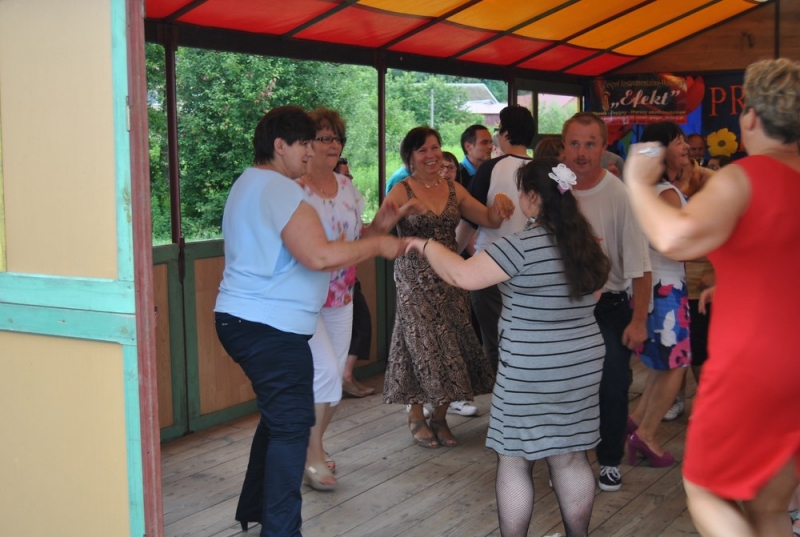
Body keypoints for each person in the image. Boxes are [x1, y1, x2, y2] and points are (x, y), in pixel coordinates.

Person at [625, 58, 800, 537]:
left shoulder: (745, 176)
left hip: (756, 361)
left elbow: (675, 238)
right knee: (769, 508)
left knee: (705, 489)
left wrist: (637, 184)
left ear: (751, 117)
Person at [214, 105, 407, 536]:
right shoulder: (280, 189)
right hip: (267, 326)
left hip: (252, 321)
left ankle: (256, 508)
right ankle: (282, 530)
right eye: (303, 143)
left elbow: (320, 249)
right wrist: (380, 246)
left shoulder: (250, 182)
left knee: (279, 420)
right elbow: (319, 255)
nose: (310, 151)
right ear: (279, 146)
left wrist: (375, 232)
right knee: (291, 428)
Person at [406, 158, 610, 537]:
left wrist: (424, 244)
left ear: (532, 198)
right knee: (570, 455)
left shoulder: (521, 247)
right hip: (582, 364)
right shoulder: (585, 245)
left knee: (515, 458)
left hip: (531, 368)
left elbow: (461, 274)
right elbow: (595, 293)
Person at [296, 108, 419, 490]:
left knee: (335, 379)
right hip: (303, 295)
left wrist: (383, 222)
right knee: (325, 373)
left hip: (342, 293)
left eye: (337, 138)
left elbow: (361, 237)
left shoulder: (346, 187)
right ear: (306, 144)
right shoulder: (294, 189)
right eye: (325, 137)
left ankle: (312, 447)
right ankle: (311, 456)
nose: (333, 144)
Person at [384, 126, 514, 449]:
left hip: (450, 274)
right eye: (423, 150)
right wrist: (402, 212)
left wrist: (499, 202)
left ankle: (440, 415)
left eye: (435, 148)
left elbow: (489, 219)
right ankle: (416, 412)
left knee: (454, 341)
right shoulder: (402, 190)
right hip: (414, 277)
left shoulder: (454, 188)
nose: (431, 155)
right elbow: (377, 230)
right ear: (410, 157)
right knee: (421, 343)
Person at [562, 112, 652, 493]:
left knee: (612, 384)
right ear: (563, 147)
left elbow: (640, 266)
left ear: (604, 147)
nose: (581, 153)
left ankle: (610, 459)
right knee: (564, 387)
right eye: (574, 144)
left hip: (609, 307)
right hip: (561, 306)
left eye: (590, 144)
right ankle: (566, 458)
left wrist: (639, 320)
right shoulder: (552, 193)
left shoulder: (620, 195)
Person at [626, 122, 692, 468]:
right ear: (663, 150)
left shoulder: (648, 190)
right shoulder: (665, 193)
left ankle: (637, 421)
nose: (686, 147)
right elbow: (677, 245)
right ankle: (647, 434)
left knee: (662, 366)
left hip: (653, 287)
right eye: (679, 141)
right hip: (666, 287)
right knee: (677, 364)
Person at [457, 104, 535, 375]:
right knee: (528, 341)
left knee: (495, 342)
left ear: (506, 133)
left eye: (498, 129)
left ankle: (502, 396)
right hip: (532, 270)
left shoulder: (491, 168)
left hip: (490, 269)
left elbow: (468, 222)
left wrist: (451, 257)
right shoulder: (543, 171)